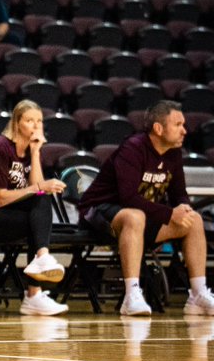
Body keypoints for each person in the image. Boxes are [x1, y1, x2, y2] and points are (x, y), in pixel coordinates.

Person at [78, 101, 214, 317]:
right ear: (159, 129)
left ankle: (197, 294)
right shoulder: (133, 148)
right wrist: (170, 214)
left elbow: (179, 193)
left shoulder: (173, 153)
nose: (184, 130)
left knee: (194, 220)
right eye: (178, 124)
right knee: (135, 215)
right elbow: (128, 197)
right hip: (98, 213)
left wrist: (183, 208)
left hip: (140, 220)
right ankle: (131, 295)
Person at [0, 100, 68, 316]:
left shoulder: (30, 150)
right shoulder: (0, 147)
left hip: (3, 213)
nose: (36, 126)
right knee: (36, 218)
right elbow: (0, 197)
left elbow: (35, 189)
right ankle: (34, 294)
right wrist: (39, 187)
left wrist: (36, 153)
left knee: (40, 204)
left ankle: (40, 264)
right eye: (30, 121)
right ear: (17, 124)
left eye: (39, 122)